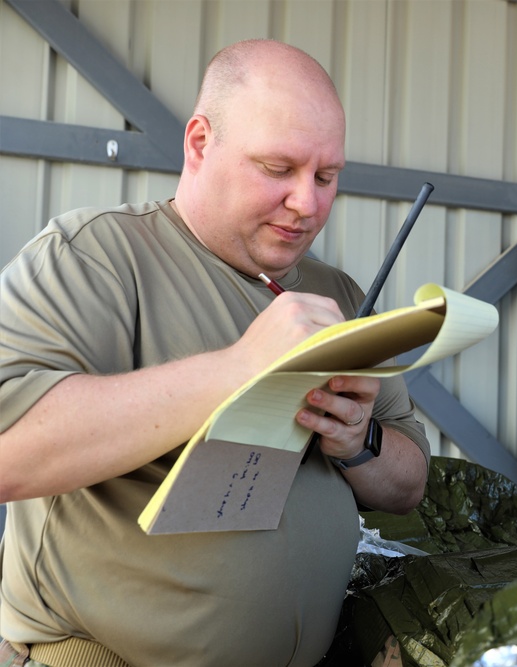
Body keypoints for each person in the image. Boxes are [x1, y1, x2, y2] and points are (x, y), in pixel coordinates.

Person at [0, 39, 430, 666]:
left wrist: (359, 441)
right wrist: (238, 368)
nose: (307, 203)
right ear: (200, 143)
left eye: (326, 176)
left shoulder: (339, 294)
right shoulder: (95, 257)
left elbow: (409, 485)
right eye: (278, 169)